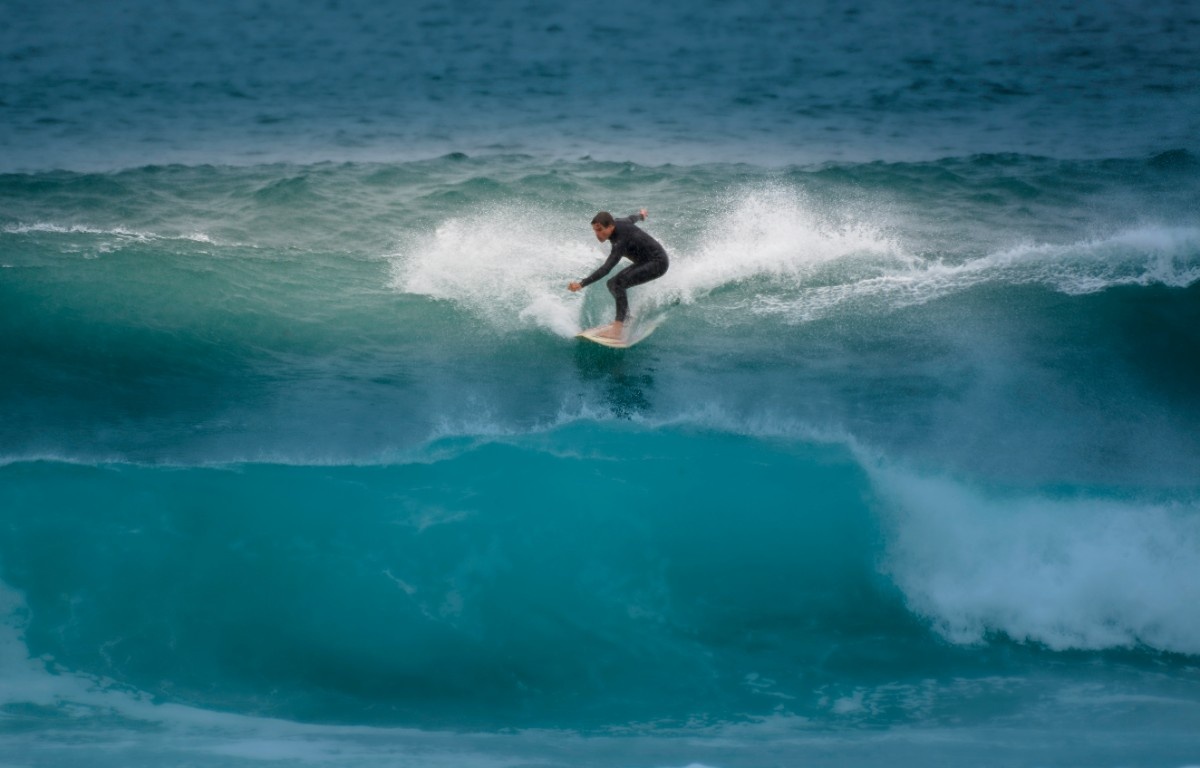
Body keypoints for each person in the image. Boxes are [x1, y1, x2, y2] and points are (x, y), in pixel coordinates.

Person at [568, 209, 669, 340]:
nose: (597, 234)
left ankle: (618, 328)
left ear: (610, 226)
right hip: (645, 262)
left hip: (658, 263)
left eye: (599, 230)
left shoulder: (620, 240)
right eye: (594, 230)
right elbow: (631, 218)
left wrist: (582, 284)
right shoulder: (618, 222)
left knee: (618, 283)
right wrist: (641, 215)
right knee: (612, 283)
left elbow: (606, 269)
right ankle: (625, 318)